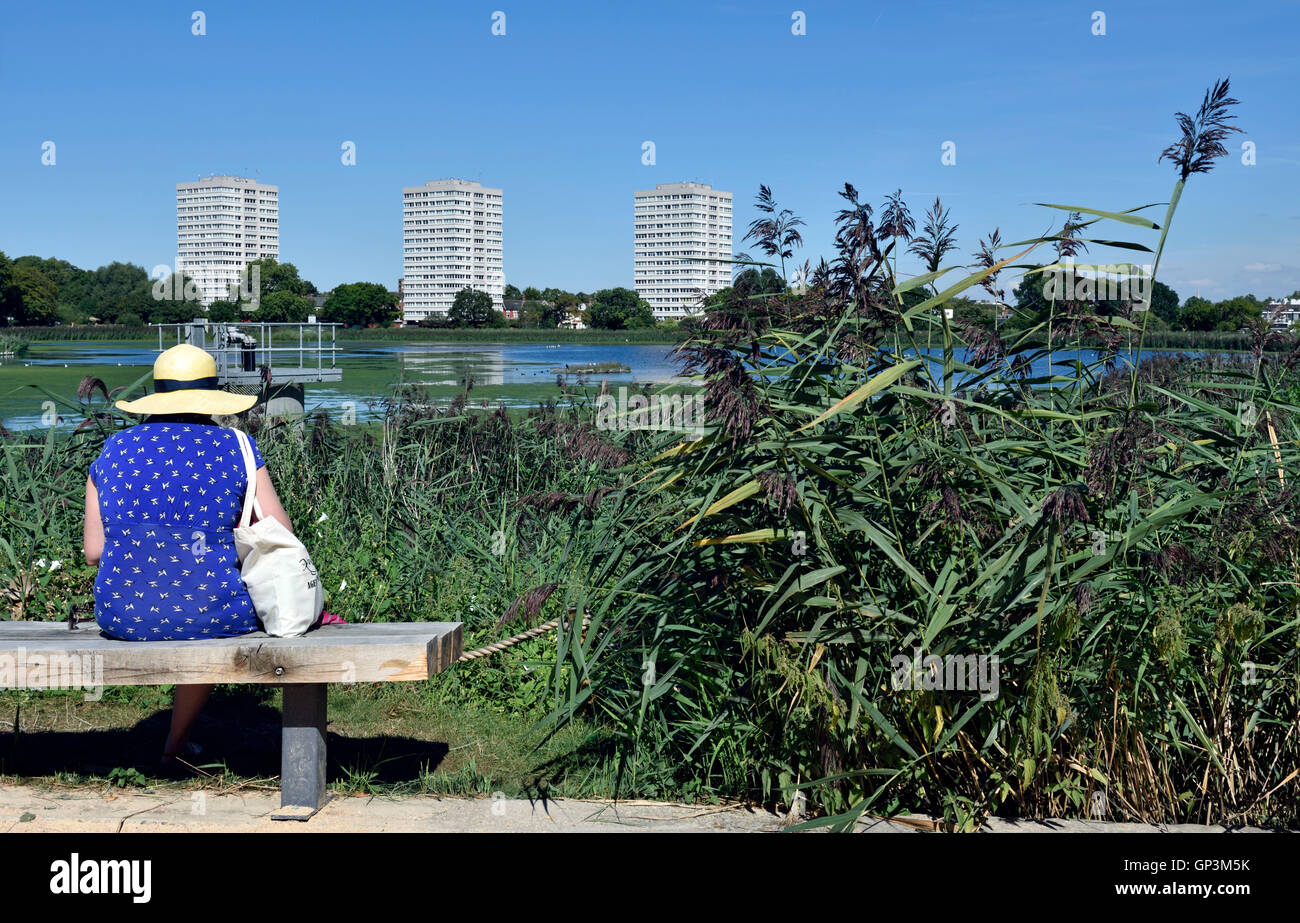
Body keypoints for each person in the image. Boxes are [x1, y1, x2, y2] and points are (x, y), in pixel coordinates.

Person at [82, 343, 296, 775]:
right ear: (211, 397)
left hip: (121, 614)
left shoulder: (114, 448)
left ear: (158, 397)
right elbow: (281, 533)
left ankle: (169, 745)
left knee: (187, 599)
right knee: (205, 606)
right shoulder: (237, 446)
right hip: (210, 613)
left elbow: (94, 552)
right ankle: (173, 746)